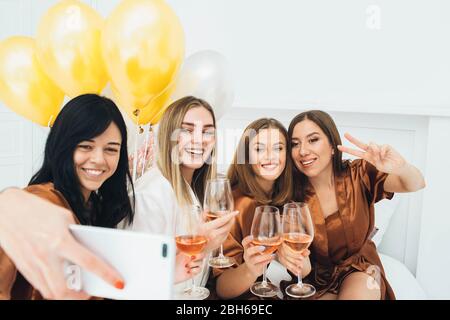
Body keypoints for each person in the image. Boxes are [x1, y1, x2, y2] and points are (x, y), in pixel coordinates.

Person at [281, 110, 425, 300]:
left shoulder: (359, 174)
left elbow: (415, 184)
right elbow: (299, 257)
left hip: (359, 268)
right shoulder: (291, 196)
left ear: (333, 146)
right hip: (314, 279)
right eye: (295, 144)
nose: (303, 151)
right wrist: (287, 256)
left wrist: (401, 167)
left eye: (313, 140)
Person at [129, 96, 237, 298]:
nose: (199, 139)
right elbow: (135, 279)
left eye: (207, 131)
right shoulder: (150, 195)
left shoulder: (196, 189)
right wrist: (202, 242)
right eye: (186, 130)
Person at [214, 118, 308, 299]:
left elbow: (304, 271)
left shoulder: (293, 198)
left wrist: (295, 256)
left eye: (278, 148)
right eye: (259, 149)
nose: (270, 156)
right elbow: (222, 289)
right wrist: (250, 269)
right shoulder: (234, 205)